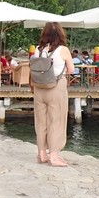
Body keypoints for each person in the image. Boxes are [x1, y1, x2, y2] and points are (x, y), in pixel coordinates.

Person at [31, 22, 75, 167]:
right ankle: (54, 155)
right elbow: (71, 70)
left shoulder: (38, 49)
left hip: (39, 88)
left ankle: (41, 153)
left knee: (41, 121)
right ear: (61, 34)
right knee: (56, 120)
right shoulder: (63, 50)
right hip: (56, 87)